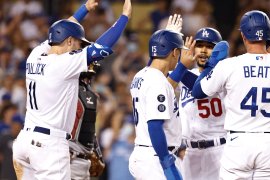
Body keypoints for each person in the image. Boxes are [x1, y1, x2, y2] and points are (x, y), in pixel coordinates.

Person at [12, 0, 132, 179]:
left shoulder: (35, 55)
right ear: (68, 41)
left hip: (25, 142)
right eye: (77, 42)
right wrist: (124, 18)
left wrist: (84, 9)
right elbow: (102, 47)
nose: (78, 46)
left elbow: (61, 29)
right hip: (48, 145)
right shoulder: (64, 63)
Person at [192, 10, 270, 179]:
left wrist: (211, 65)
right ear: (268, 36)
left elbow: (198, 92)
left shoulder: (229, 65)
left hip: (238, 142)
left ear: (243, 36)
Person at [128, 15, 193, 178]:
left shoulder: (141, 74)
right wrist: (166, 163)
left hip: (147, 153)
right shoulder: (158, 82)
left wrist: (168, 34)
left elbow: (159, 68)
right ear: (174, 52)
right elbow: (155, 126)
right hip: (156, 157)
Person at [178, 27, 228, 180]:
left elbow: (200, 88)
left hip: (220, 150)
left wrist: (179, 67)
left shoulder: (224, 75)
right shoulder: (184, 75)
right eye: (200, 45)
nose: (203, 51)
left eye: (209, 46)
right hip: (191, 152)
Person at [69, 62, 105, 180]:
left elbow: (90, 128)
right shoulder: (65, 92)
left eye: (90, 78)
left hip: (83, 160)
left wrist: (98, 154)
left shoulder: (90, 96)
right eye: (86, 77)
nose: (88, 81)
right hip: (68, 158)